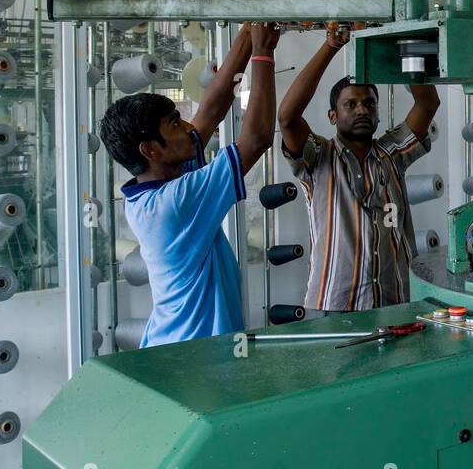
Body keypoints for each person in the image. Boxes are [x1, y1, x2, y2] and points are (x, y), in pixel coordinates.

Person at [100, 22, 281, 347]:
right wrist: (264, 54)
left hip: (182, 347)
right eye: (174, 124)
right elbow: (256, 140)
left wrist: (249, 31)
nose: (188, 127)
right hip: (188, 355)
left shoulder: (160, 177)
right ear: (151, 149)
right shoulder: (171, 204)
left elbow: (211, 110)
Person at [277, 22, 440, 311]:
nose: (362, 109)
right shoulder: (318, 159)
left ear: (378, 114)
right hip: (333, 306)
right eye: (350, 105)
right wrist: (330, 46)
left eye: (369, 104)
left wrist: (405, 43)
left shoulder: (393, 153)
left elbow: (428, 104)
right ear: (332, 116)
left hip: (396, 301)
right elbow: (288, 117)